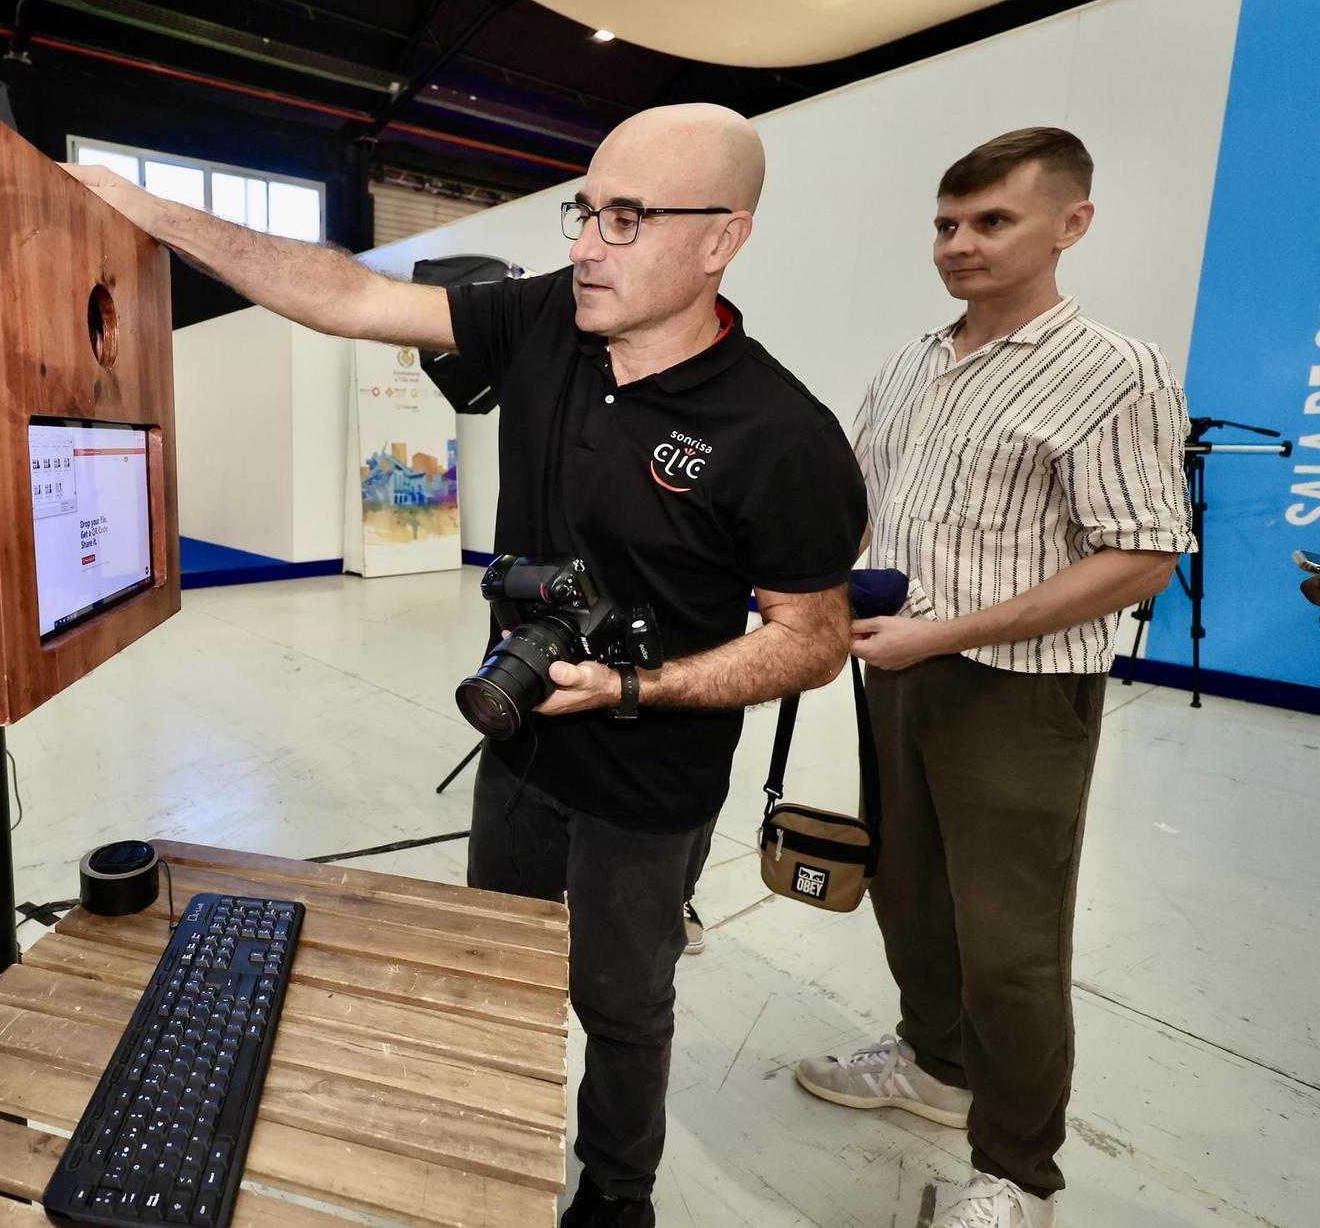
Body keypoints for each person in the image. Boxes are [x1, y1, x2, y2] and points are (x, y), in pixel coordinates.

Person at [66, 104, 867, 1226]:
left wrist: (639, 685)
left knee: (621, 1002)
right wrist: (147, 213)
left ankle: (615, 1192)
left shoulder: (780, 432)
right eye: (583, 211)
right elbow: (341, 291)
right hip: (519, 742)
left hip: (651, 783)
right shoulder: (543, 318)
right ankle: (484, 1150)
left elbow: (812, 638)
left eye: (625, 220)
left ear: (720, 238)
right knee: (489, 957)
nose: (586, 243)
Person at [796, 128, 1192, 1228]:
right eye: (944, 224)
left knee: (1009, 943)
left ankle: (1017, 1174)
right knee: (910, 896)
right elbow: (876, 508)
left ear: (1070, 224)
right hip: (898, 675)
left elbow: (1138, 555)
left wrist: (946, 630)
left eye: (989, 222)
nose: (956, 244)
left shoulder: (1111, 369)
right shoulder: (912, 362)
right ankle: (931, 1063)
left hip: (1016, 693)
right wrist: (840, 601)